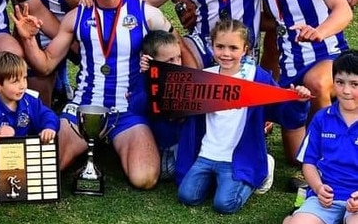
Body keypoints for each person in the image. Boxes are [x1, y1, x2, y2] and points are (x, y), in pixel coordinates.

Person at [13, 0, 176, 189]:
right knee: (42, 171)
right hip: (83, 107)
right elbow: (46, 65)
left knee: (145, 179)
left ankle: (116, 144)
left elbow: (176, 53)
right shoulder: (76, 16)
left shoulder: (147, 14)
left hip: (128, 110)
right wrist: (27, 40)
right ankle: (92, 144)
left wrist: (157, 72)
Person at [177, 19, 311, 214]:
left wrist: (299, 102)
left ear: (245, 49)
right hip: (207, 153)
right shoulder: (205, 77)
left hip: (237, 155)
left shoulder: (256, 77)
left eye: (233, 47)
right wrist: (149, 69)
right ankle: (222, 180)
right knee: (187, 196)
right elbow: (177, 105)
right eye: (220, 46)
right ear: (211, 46)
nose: (226, 53)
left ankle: (262, 167)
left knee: (224, 204)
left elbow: (282, 112)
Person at [253, 0, 352, 160]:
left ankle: (335, 157)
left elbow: (343, 12)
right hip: (291, 71)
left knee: (317, 83)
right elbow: (275, 21)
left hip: (326, 57)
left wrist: (319, 33)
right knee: (296, 156)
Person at [284, 50, 358, 224]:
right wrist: (318, 188)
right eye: (340, 82)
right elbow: (309, 162)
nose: (346, 91)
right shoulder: (321, 118)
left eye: (354, 84)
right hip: (324, 199)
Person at [0, 51, 59, 142]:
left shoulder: (30, 100)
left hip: (28, 151)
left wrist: (49, 127)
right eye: (15, 81)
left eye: (24, 78)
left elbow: (47, 114)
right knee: (6, 131)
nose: (22, 86)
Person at [129, 30, 183, 181]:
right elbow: (136, 108)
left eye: (178, 58)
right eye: (170, 60)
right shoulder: (145, 79)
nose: (177, 64)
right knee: (167, 172)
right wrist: (148, 76)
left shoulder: (183, 79)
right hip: (162, 149)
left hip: (180, 144)